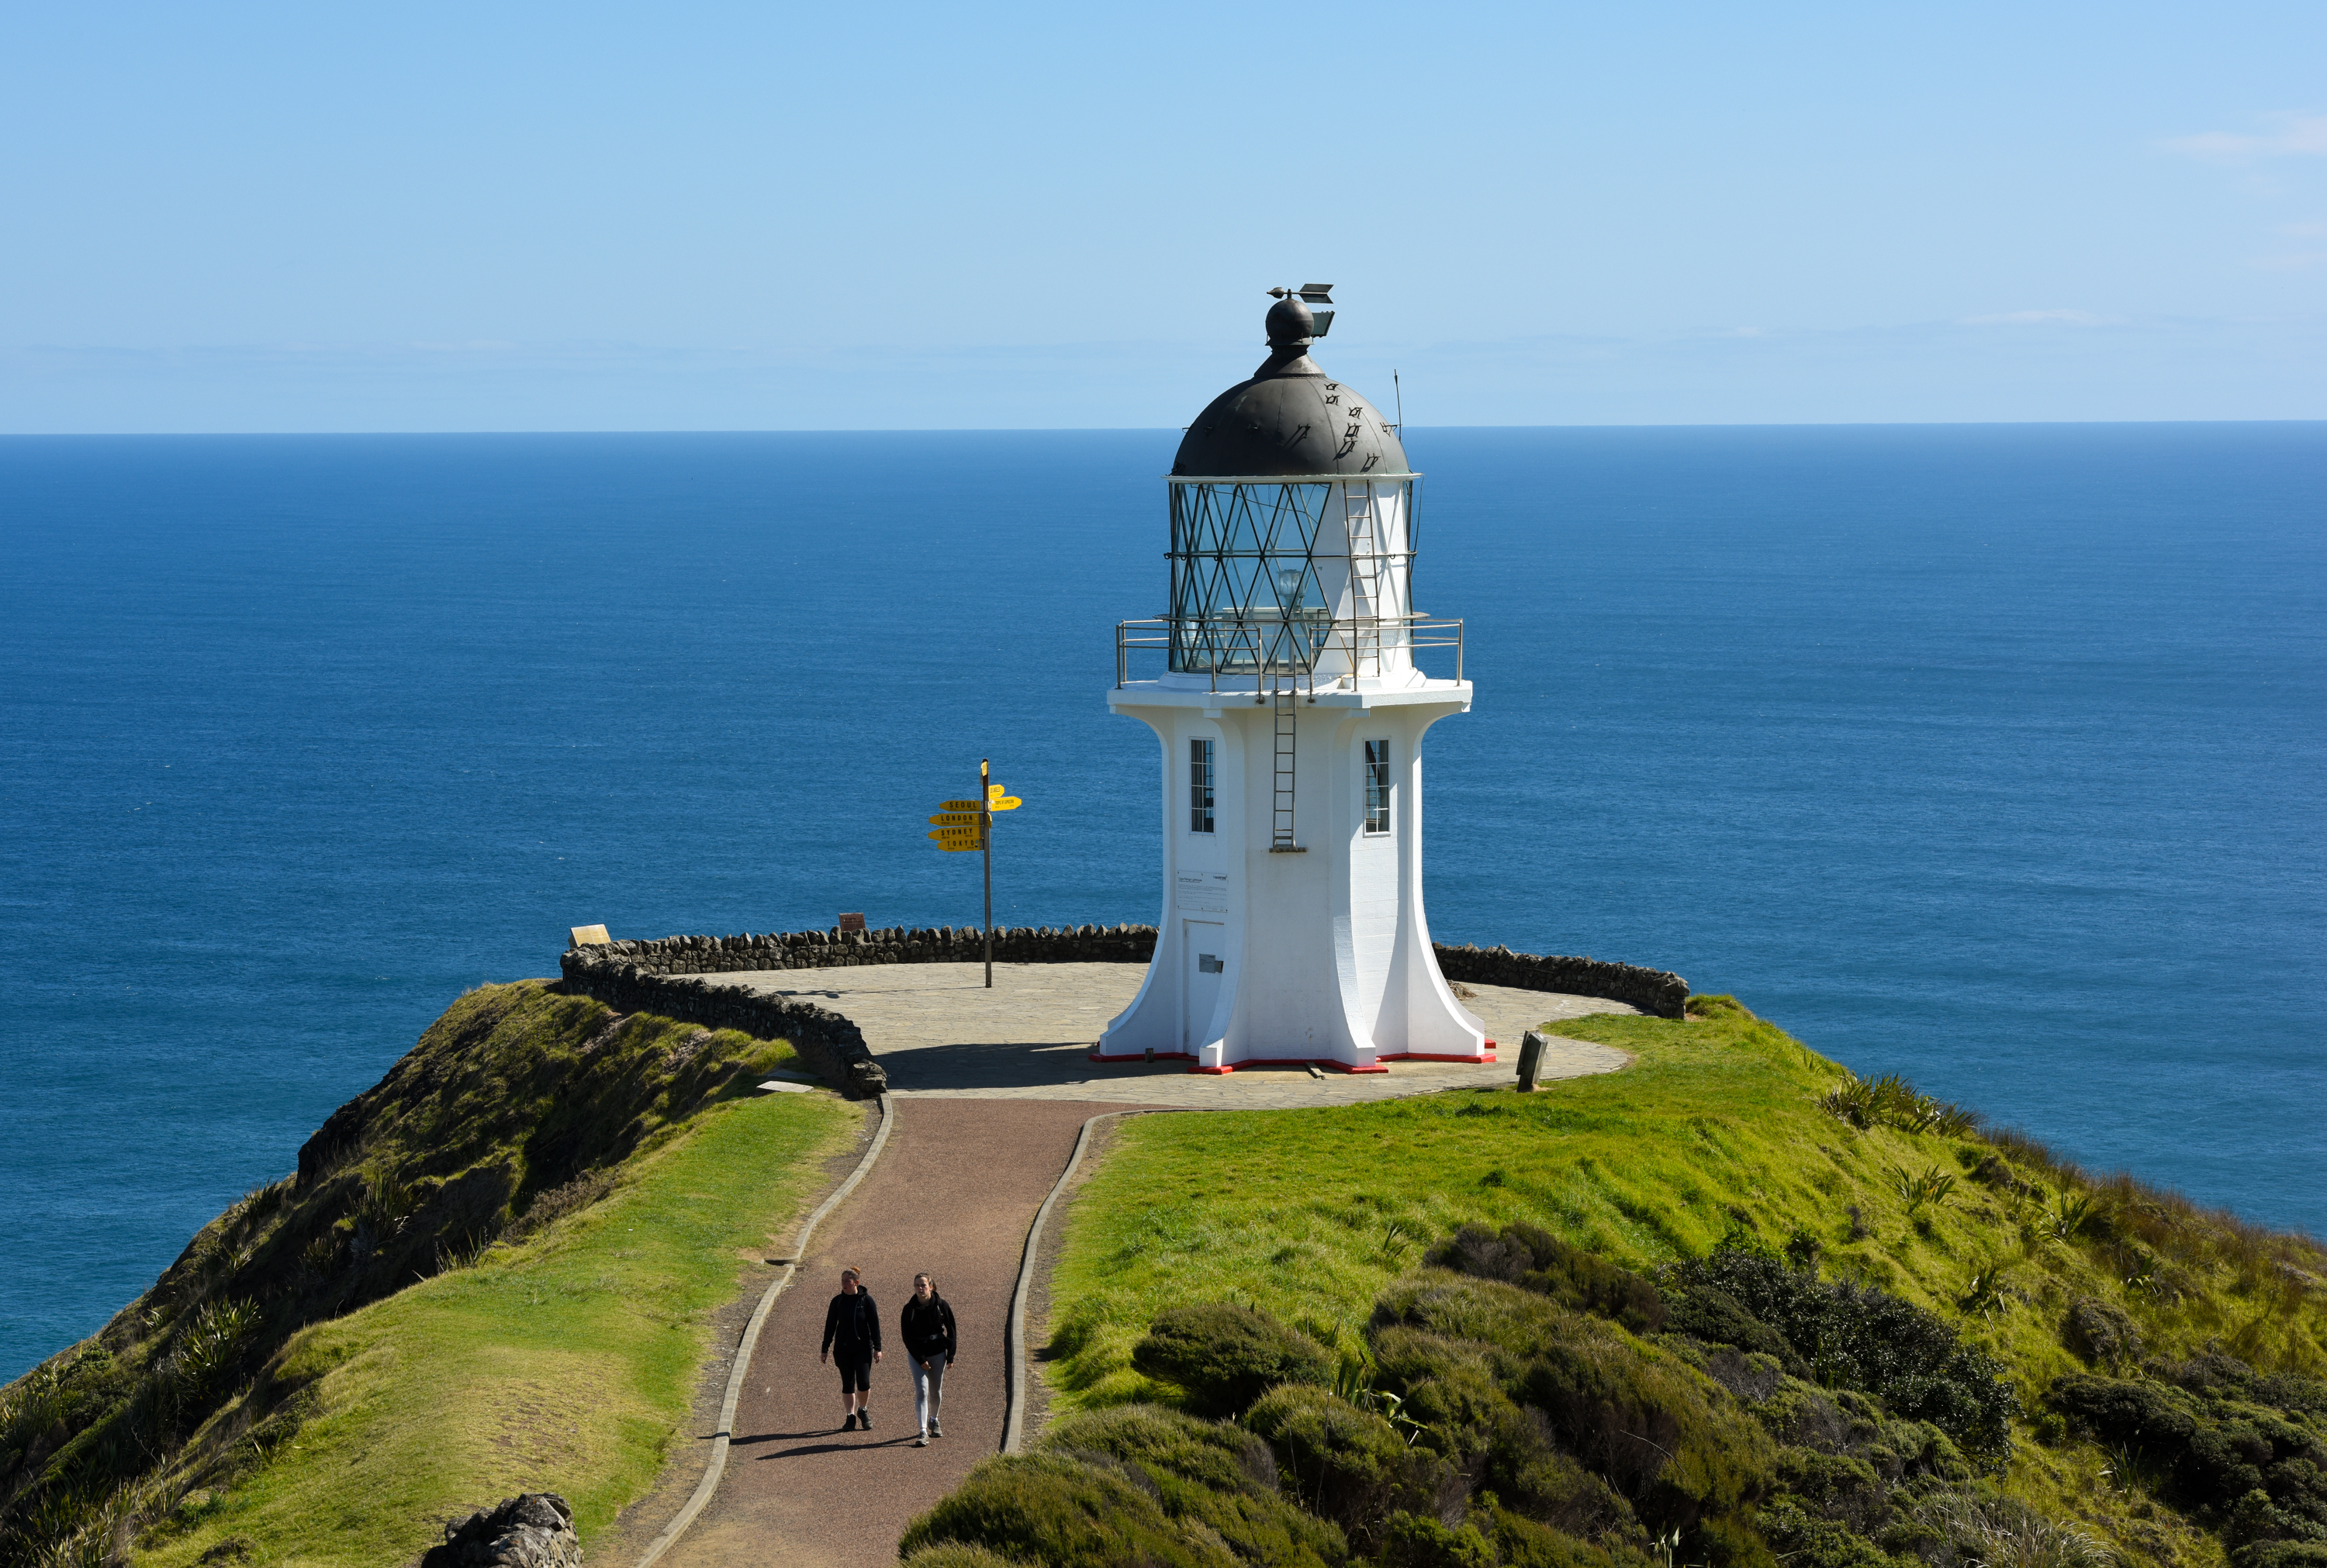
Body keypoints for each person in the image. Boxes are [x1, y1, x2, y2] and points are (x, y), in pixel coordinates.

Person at [819, 1266, 883, 1431]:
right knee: (847, 1383)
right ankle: (850, 1416)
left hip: (863, 1348)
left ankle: (863, 1410)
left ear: (856, 1282)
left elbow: (875, 1325)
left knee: (864, 1382)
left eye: (847, 1281)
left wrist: (878, 1347)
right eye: (842, 1281)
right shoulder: (837, 1302)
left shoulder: (867, 1301)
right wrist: (825, 1348)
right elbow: (830, 1326)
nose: (844, 1284)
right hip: (843, 1349)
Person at [898, 1271, 956, 1447]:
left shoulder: (942, 1306)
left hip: (938, 1353)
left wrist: (951, 1355)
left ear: (931, 1287)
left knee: (935, 1391)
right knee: (922, 1391)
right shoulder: (909, 1309)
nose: (920, 1288)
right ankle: (923, 1431)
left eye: (923, 1285)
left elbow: (952, 1330)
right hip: (917, 1355)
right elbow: (906, 1337)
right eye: (917, 1285)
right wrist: (921, 1359)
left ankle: (934, 1420)